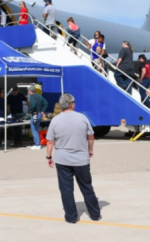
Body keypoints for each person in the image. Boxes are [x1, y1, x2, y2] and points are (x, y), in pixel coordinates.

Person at [45, 93, 101, 224]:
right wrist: (90, 149)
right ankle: (95, 214)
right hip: (81, 159)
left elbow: (50, 141)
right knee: (87, 187)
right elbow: (91, 136)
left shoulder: (55, 120)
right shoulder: (82, 118)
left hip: (62, 159)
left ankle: (71, 217)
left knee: (66, 189)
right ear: (71, 104)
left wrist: (48, 156)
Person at [28, 85, 48, 150]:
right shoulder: (39, 96)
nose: (28, 91)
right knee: (36, 129)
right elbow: (46, 103)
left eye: (29, 90)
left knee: (34, 130)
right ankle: (37, 144)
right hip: (39, 114)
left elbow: (33, 105)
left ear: (30, 91)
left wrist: (30, 111)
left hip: (34, 114)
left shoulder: (32, 96)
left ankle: (37, 144)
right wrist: (43, 111)